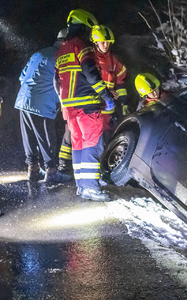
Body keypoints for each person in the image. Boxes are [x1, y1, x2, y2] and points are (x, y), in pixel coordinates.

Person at [54, 9, 115, 201]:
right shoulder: (83, 47)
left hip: (69, 109)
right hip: (87, 107)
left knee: (78, 145)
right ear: (85, 27)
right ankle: (90, 188)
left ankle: (82, 186)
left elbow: (56, 80)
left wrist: (64, 100)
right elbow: (91, 75)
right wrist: (106, 96)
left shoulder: (62, 49)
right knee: (92, 145)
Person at [14, 29, 73, 183]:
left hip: (24, 100)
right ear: (66, 42)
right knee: (47, 138)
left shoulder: (39, 53)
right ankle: (51, 171)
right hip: (42, 104)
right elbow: (63, 84)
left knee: (29, 137)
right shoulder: (61, 57)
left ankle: (33, 169)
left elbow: (22, 77)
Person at [91, 24, 128, 144]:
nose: (106, 45)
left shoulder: (113, 60)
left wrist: (122, 100)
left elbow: (121, 80)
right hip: (94, 107)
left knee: (108, 137)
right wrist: (106, 92)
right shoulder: (90, 59)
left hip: (109, 108)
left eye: (108, 42)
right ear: (96, 42)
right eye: (102, 42)